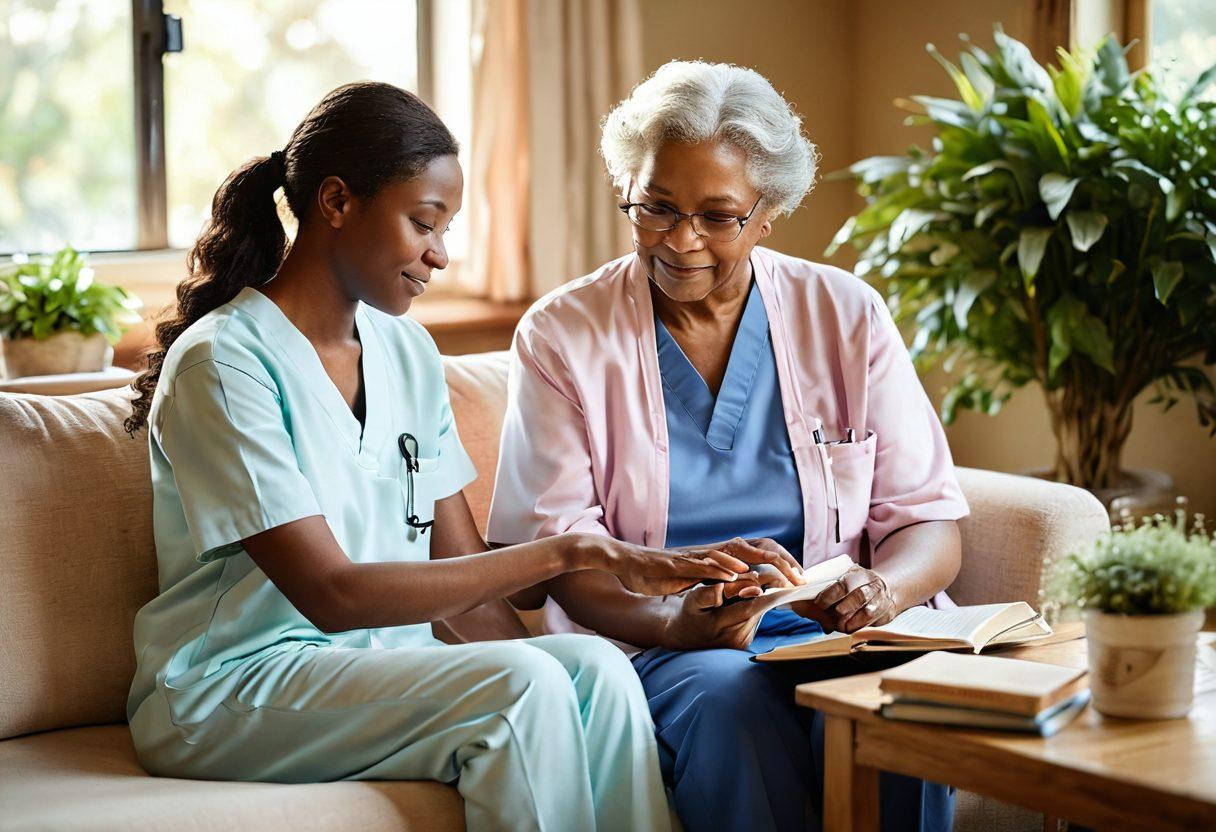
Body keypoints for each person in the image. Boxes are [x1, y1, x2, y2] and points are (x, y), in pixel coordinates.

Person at [122, 81, 790, 832]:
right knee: (518, 692)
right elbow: (332, 595)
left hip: (373, 669)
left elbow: (468, 597)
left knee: (596, 672)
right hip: (231, 687)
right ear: (337, 202)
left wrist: (549, 652)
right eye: (424, 223)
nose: (440, 255)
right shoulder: (224, 363)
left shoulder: (406, 351)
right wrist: (570, 552)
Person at [488, 61, 970, 832]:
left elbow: (926, 520)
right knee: (731, 704)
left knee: (893, 703)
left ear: (768, 211)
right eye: (657, 208)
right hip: (664, 642)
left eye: (718, 216)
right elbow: (561, 557)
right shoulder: (563, 333)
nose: (681, 241)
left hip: (834, 632)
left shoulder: (845, 313)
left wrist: (885, 593)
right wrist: (676, 623)